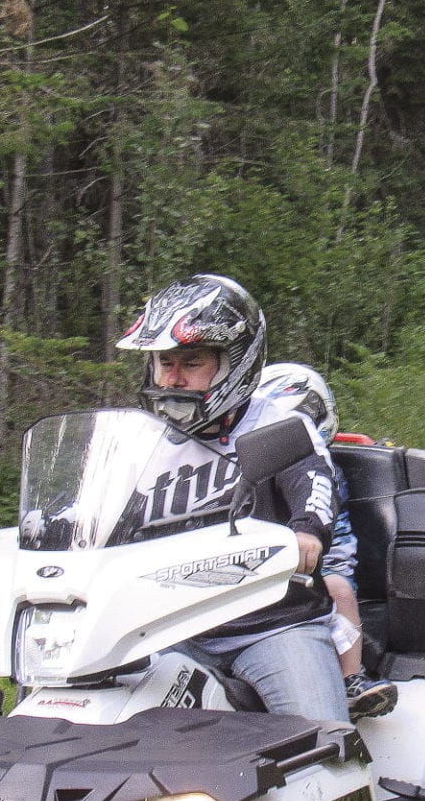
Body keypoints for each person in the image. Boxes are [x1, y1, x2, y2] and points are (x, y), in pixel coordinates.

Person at [114, 274, 349, 724]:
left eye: (192, 362)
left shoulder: (278, 426)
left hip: (270, 625)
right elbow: (97, 510)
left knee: (324, 740)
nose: (174, 378)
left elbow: (315, 484)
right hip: (167, 623)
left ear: (234, 363)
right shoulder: (138, 440)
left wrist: (307, 532)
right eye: (165, 363)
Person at [256, 363, 397, 720]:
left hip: (326, 559)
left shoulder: (321, 469)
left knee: (338, 590)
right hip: (264, 565)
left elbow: (313, 504)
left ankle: (352, 678)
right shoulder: (251, 467)